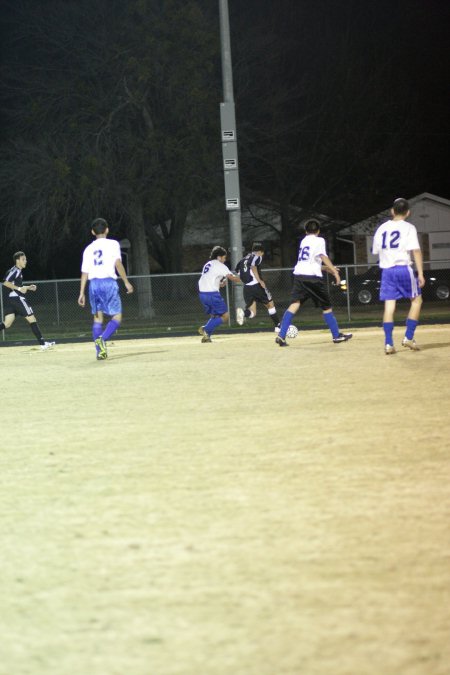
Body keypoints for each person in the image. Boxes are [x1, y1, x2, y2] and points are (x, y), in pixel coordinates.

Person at [275, 220, 352, 346]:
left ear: (306, 231)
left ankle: (281, 335)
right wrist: (334, 271)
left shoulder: (304, 241)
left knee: (294, 304)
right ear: (318, 231)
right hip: (313, 279)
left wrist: (325, 268)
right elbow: (323, 256)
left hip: (299, 277)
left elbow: (309, 262)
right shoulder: (319, 240)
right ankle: (336, 335)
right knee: (326, 307)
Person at [372, 197, 425, 355]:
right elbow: (415, 250)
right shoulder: (409, 227)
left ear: (392, 211)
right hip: (403, 268)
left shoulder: (381, 228)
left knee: (389, 306)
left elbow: (376, 250)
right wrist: (421, 273)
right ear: (408, 212)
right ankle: (408, 337)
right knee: (416, 300)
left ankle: (389, 343)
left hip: (387, 271)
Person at [78, 218, 134, 360]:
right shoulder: (113, 244)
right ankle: (102, 339)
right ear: (107, 229)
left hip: (94, 284)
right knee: (117, 317)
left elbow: (85, 272)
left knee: (98, 319)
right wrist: (126, 282)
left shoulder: (88, 249)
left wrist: (81, 293)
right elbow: (118, 264)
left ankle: (100, 352)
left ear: (92, 232)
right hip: (109, 283)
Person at [0, 251, 55, 350]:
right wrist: (19, 289)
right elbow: (5, 282)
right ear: (17, 261)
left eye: (25, 259)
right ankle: (43, 344)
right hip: (17, 299)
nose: (26, 261)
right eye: (23, 259)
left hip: (11, 300)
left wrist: (28, 287)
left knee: (7, 324)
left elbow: (17, 286)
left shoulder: (18, 271)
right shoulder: (15, 270)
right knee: (32, 319)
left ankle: (43, 343)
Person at [198, 246, 241, 342]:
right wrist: (246, 279)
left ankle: (206, 337)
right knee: (225, 316)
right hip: (212, 294)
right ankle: (205, 329)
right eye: (224, 257)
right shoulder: (220, 265)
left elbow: (209, 279)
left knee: (215, 316)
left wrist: (220, 284)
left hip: (202, 294)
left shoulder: (208, 264)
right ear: (219, 257)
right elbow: (233, 278)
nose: (225, 260)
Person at [235, 242, 281, 331]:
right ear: (260, 252)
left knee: (252, 313)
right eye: (262, 253)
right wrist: (260, 281)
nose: (262, 255)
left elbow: (238, 271)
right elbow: (253, 267)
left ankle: (243, 313)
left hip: (247, 288)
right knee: (270, 305)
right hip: (256, 286)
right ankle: (278, 326)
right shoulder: (257, 256)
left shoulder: (243, 259)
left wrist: (245, 279)